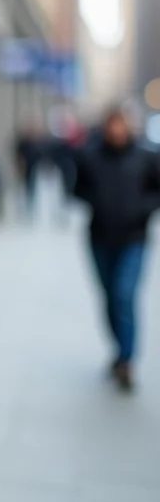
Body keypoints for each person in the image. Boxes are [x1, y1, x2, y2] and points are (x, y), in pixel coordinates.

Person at [73, 107, 160, 392]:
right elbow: (77, 189)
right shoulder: (91, 155)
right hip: (100, 237)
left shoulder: (146, 156)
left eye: (121, 124)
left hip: (133, 238)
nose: (116, 130)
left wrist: (141, 209)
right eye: (112, 124)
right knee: (109, 297)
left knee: (124, 295)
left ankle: (127, 360)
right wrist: (96, 200)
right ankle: (118, 348)